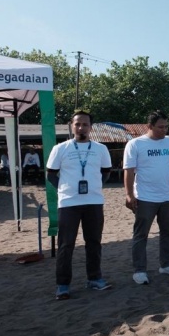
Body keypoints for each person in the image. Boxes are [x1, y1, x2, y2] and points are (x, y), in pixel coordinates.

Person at [46, 110, 113, 300]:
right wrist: (64, 189)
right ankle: (63, 284)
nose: (81, 127)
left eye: (85, 124)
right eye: (77, 124)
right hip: (68, 203)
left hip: (94, 201)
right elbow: (51, 174)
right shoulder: (61, 149)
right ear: (71, 126)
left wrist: (95, 186)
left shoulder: (101, 149)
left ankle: (94, 278)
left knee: (94, 242)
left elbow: (106, 172)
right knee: (66, 245)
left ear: (91, 127)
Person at [124, 110, 169, 285]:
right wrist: (129, 195)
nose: (164, 130)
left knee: (167, 233)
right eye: (160, 127)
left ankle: (166, 264)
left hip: (167, 196)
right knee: (141, 235)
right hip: (145, 197)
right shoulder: (135, 144)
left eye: (166, 126)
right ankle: (140, 270)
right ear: (149, 126)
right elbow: (128, 172)